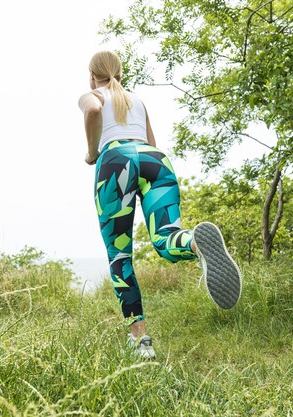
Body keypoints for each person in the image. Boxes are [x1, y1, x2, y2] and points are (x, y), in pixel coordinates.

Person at [78, 51, 242, 359]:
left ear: (91, 75)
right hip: (155, 161)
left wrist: (91, 153)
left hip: (115, 162)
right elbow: (150, 142)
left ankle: (141, 341)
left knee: (120, 257)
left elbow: (92, 111)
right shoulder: (136, 101)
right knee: (167, 235)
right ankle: (194, 242)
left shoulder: (92, 93)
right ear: (121, 74)